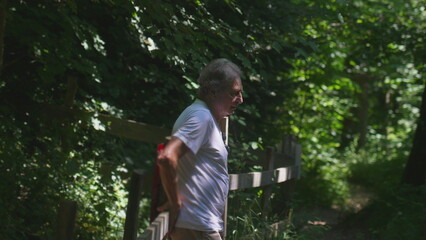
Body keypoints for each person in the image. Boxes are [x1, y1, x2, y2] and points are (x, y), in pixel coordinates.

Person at [156, 58, 244, 240]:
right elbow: (167, 157)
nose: (240, 100)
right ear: (213, 91)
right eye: (234, 93)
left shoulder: (204, 116)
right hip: (197, 224)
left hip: (198, 223)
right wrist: (175, 203)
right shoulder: (201, 117)